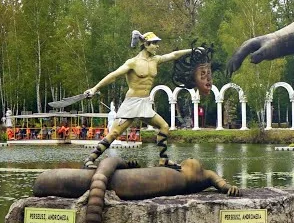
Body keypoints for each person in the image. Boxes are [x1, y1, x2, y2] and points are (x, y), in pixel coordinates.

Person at [61, 30, 196, 158]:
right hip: (132, 103)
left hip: (145, 103)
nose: (157, 46)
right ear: (146, 44)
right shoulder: (133, 63)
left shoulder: (156, 60)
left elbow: (173, 55)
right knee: (114, 133)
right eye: (154, 43)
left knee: (164, 127)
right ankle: (91, 158)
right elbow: (113, 75)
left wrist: (192, 51)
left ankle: (163, 159)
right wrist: (95, 88)